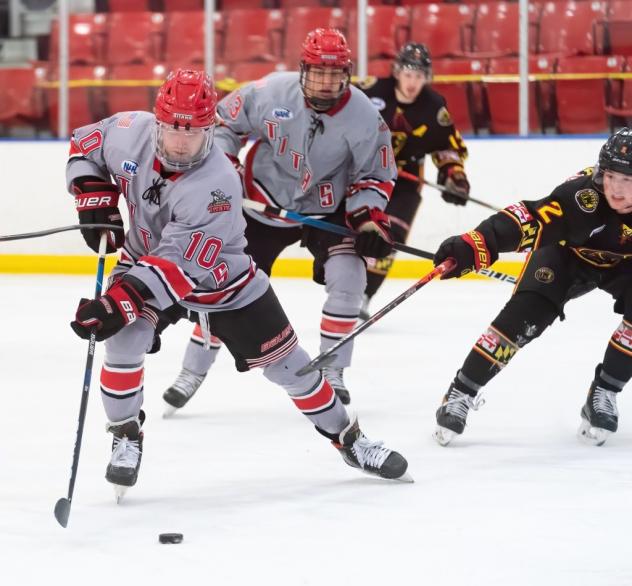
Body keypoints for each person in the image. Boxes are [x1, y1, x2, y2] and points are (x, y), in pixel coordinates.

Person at [67, 68, 409, 499]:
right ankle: (125, 434)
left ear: (211, 129)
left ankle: (349, 439)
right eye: (173, 128)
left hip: (223, 282)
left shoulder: (217, 185)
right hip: (142, 261)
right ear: (158, 120)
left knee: (292, 367)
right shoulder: (129, 132)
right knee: (123, 343)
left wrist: (115, 304)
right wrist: (93, 197)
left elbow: (176, 268)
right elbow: (85, 143)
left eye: (193, 132)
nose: (180, 142)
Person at [162, 28, 397, 411]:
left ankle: (332, 369)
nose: (325, 83)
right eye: (317, 73)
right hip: (261, 202)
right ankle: (192, 370)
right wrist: (225, 169)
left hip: (326, 208)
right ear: (303, 69)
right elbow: (222, 124)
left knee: (350, 277)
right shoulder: (271, 92)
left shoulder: (365, 117)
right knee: (221, 286)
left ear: (348, 73)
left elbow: (375, 174)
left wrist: (369, 220)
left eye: (334, 74)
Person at [431, 128, 632, 447]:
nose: (616, 190)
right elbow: (529, 219)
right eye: (611, 176)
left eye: (627, 180)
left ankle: (604, 392)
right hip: (565, 257)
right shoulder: (583, 198)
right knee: (522, 319)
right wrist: (476, 244)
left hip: (623, 266)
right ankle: (461, 391)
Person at [356, 42, 470, 320]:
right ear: (397, 72)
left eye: (419, 76)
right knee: (360, 230)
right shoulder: (368, 91)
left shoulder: (433, 107)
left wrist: (455, 176)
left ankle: (363, 296)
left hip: (405, 184)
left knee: (389, 236)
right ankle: (347, 287)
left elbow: (448, 147)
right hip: (365, 175)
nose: (412, 82)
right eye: (408, 74)